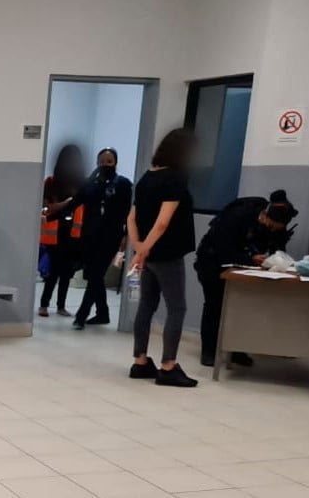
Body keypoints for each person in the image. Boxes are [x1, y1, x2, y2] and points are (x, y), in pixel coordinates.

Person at [194, 190, 298, 367]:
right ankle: (209, 351)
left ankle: (236, 349)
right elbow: (224, 249)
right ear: (264, 216)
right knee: (214, 305)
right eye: (271, 226)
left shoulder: (276, 224)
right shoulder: (237, 215)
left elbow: (278, 246)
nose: (272, 230)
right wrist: (250, 259)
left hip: (243, 266)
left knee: (242, 306)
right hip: (212, 261)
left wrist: (278, 261)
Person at [127, 129, 198, 387]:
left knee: (147, 304)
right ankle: (168, 366)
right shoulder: (175, 179)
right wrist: (144, 250)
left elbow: (131, 218)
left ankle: (140, 361)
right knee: (177, 308)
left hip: (148, 255)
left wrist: (139, 248)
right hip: (167, 254)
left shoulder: (146, 178)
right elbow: (162, 223)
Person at [69, 148, 133, 329]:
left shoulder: (123, 184)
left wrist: (127, 234)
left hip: (111, 237)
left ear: (116, 163)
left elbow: (129, 212)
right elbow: (76, 202)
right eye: (102, 161)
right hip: (90, 236)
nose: (105, 165)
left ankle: (81, 316)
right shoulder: (91, 184)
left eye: (109, 161)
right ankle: (103, 313)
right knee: (93, 276)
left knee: (96, 274)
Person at [38, 145, 86, 317]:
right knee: (53, 272)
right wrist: (67, 203)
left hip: (74, 235)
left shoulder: (82, 184)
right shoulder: (50, 183)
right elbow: (45, 208)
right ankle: (44, 305)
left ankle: (61, 306)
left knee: (66, 272)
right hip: (55, 234)